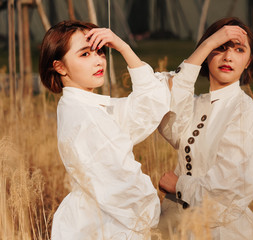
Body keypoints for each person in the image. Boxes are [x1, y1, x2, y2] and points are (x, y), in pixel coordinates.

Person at [39, 20, 175, 240]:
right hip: (101, 226)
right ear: (60, 67)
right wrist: (153, 217)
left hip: (103, 222)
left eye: (100, 51)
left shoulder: (92, 107)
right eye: (85, 54)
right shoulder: (83, 115)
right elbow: (121, 181)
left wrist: (123, 47)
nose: (98, 61)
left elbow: (147, 106)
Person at [158, 17, 253, 239]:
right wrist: (206, 45)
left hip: (223, 231)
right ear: (206, 55)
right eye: (220, 48)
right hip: (178, 227)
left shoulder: (245, 113)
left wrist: (179, 184)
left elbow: (229, 191)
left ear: (248, 61)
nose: (228, 56)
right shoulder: (196, 104)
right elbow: (166, 107)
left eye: (239, 49)